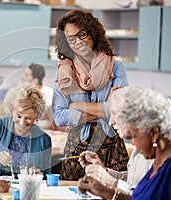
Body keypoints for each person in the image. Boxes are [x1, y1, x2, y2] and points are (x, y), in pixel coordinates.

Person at [52, 9, 129, 180]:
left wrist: (77, 107)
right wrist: (104, 109)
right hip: (76, 151)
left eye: (82, 34)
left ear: (93, 33)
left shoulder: (116, 68)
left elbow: (120, 111)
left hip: (112, 149)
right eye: (71, 39)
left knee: (115, 193)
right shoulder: (64, 73)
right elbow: (59, 117)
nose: (77, 42)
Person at [78, 87, 171, 200]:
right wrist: (106, 191)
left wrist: (110, 187)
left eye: (134, 137)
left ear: (154, 133)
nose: (134, 143)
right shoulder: (160, 158)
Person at [78, 87, 154, 196]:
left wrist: (113, 183)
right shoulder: (140, 144)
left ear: (134, 115)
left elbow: (147, 195)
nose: (110, 122)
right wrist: (103, 171)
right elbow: (132, 180)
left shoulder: (157, 150)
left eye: (114, 113)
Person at [0, 84, 52, 178]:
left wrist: (39, 175)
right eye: (18, 116)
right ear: (12, 110)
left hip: (26, 189)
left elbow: (46, 175)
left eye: (28, 118)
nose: (22, 122)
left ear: (37, 116)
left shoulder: (44, 139)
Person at [0, 63, 57, 130]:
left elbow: (53, 120)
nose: (23, 77)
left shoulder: (49, 93)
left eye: (26, 75)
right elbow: (5, 107)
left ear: (35, 80)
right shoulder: (21, 91)